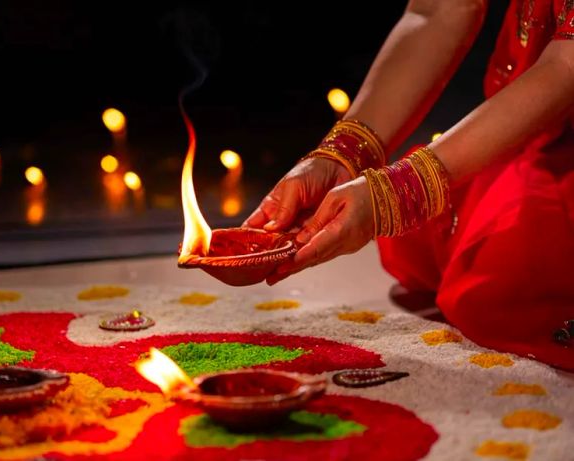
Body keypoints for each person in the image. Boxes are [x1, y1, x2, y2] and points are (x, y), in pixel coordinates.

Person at [244, 0, 574, 371]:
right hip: (537, 137)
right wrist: (340, 156)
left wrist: (401, 191)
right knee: (417, 233)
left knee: (499, 284)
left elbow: (566, 65)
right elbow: (435, 11)